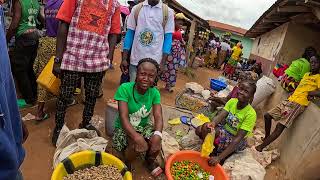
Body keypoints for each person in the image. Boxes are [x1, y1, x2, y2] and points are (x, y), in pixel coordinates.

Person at [51, 0, 121, 145]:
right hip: (73, 56)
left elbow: (113, 33)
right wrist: (58, 59)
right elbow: (63, 23)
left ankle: (86, 122)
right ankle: (58, 127)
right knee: (65, 95)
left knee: (91, 95)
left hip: (97, 60)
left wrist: (108, 59)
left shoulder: (114, 4)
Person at [256, 55, 320, 152]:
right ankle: (266, 137)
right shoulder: (306, 74)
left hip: (298, 104)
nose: (313, 64)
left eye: (316, 62)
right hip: (290, 100)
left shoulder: (318, 77)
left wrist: (311, 93)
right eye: (311, 62)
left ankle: (261, 147)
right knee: (267, 116)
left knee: (279, 126)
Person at [113, 58, 164, 177]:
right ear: (137, 73)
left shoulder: (154, 92)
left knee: (157, 142)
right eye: (143, 74)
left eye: (151, 76)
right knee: (135, 146)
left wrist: (158, 134)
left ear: (155, 78)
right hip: (124, 127)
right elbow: (123, 117)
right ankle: (127, 162)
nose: (146, 79)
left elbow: (158, 116)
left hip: (142, 127)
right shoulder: (125, 88)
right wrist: (137, 137)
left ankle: (149, 161)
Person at [196, 80, 257, 166]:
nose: (241, 92)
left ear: (251, 96)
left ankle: (219, 155)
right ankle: (212, 150)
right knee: (202, 129)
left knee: (203, 131)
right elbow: (220, 116)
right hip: (225, 130)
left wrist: (219, 158)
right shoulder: (232, 101)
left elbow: (237, 139)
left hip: (236, 140)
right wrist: (213, 123)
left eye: (246, 91)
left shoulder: (251, 114)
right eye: (241, 89)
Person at [0, 4, 28, 179]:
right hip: (5, 163)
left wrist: (15, 119)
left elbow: (5, 78)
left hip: (10, 152)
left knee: (21, 71)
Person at [121, 0, 175, 82]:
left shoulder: (168, 12)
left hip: (155, 62)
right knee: (133, 88)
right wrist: (124, 58)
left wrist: (163, 63)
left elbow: (168, 38)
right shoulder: (137, 9)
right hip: (136, 61)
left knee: (149, 91)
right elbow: (130, 33)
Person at [6, 0, 44, 105]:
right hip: (34, 37)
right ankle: (34, 94)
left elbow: (14, 24)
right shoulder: (35, 2)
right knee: (29, 68)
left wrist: (5, 40)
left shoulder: (19, 2)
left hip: (24, 38)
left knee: (19, 69)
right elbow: (41, 19)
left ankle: (29, 99)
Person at [33, 0, 64, 121]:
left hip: (46, 41)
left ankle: (40, 112)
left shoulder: (48, 4)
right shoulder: (65, 3)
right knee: (63, 75)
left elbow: (46, 23)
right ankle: (64, 103)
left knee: (43, 76)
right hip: (60, 44)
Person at [160, 13, 186, 92]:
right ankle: (155, 83)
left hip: (175, 55)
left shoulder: (179, 32)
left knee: (173, 69)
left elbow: (182, 41)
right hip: (168, 52)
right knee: (163, 67)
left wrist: (182, 43)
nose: (180, 25)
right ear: (174, 21)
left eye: (182, 24)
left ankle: (168, 85)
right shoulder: (169, 29)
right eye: (179, 23)